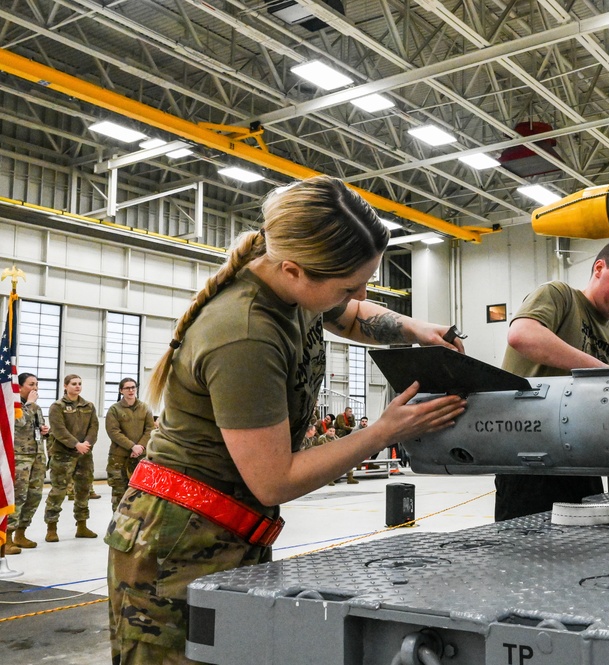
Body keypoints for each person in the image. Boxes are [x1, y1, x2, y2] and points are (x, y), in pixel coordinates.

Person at [106, 174, 466, 665]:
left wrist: (417, 329)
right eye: (349, 283)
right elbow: (274, 479)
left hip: (230, 531)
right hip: (176, 548)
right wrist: (384, 432)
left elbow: (352, 314)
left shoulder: (296, 291)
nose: (359, 293)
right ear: (296, 270)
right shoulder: (246, 333)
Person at [494, 240, 609, 521]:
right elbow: (522, 335)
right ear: (599, 268)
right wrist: (605, 372)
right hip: (530, 461)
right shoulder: (559, 296)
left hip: (584, 467)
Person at [45, 374, 100, 540]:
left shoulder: (88, 406)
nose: (77, 386)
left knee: (83, 490)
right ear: (65, 386)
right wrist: (76, 444)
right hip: (63, 454)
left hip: (84, 455)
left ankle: (82, 526)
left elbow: (94, 428)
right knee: (58, 490)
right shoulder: (57, 406)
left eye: (79, 384)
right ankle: (51, 528)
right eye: (74, 384)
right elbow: (59, 430)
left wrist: (87, 444)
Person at [5, 373, 51, 554]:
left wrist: (45, 431)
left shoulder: (36, 408)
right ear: (20, 387)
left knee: (34, 496)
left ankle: (21, 533)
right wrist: (30, 404)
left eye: (37, 384)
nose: (35, 388)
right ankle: (6, 537)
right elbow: (18, 423)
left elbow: (38, 428)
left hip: (37, 456)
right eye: (31, 384)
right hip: (20, 457)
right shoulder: (14, 405)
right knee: (18, 496)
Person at [105, 377, 154, 509]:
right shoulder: (114, 409)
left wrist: (140, 447)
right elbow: (113, 431)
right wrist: (132, 446)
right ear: (121, 390)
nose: (131, 390)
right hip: (119, 457)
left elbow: (150, 429)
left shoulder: (145, 408)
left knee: (141, 494)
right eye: (127, 388)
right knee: (119, 494)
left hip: (140, 457)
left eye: (133, 387)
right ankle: (116, 526)